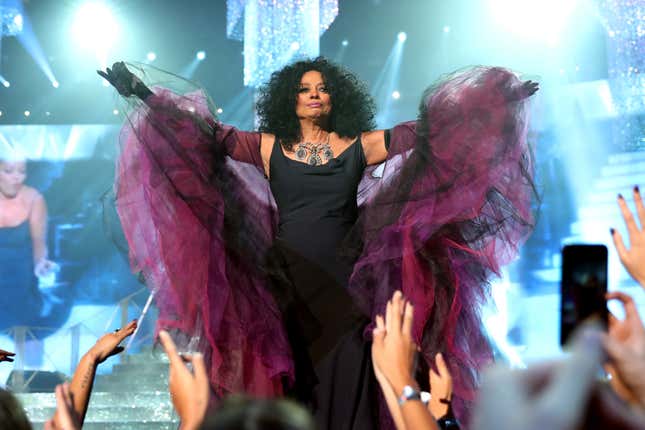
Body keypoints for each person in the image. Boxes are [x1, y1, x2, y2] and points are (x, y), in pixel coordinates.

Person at [99, 57, 538, 428]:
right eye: (305, 89)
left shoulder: (361, 145)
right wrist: (143, 93)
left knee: (349, 368)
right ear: (290, 98)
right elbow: (203, 133)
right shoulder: (268, 148)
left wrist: (498, 99)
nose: (314, 94)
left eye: (322, 89)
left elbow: (432, 131)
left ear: (335, 98)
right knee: (293, 370)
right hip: (287, 282)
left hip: (347, 282)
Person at [0, 151, 57, 329]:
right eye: (9, 171)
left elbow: (39, 239)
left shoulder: (34, 198)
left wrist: (41, 262)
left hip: (20, 273)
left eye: (21, 171)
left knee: (27, 314)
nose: (17, 177)